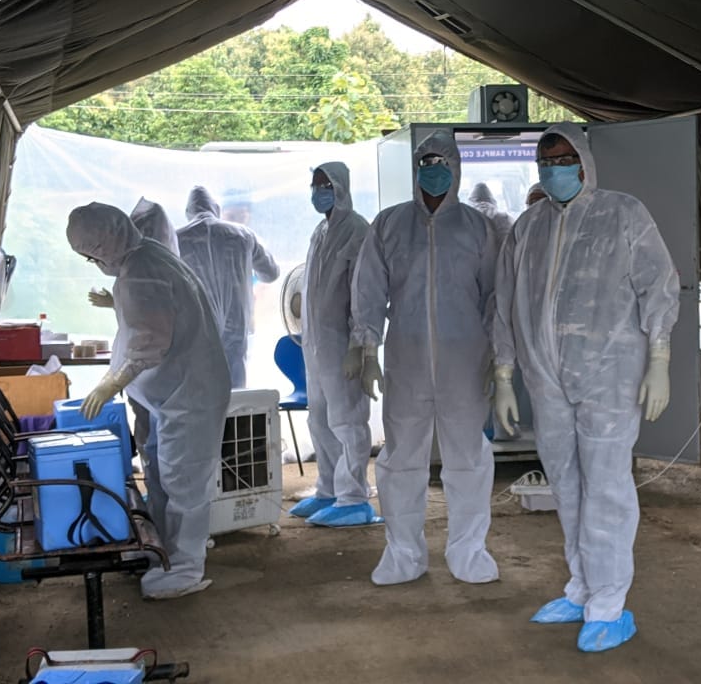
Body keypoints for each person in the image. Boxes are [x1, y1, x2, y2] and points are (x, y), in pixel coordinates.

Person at [493, 123, 680, 652]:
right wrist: (504, 375)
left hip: (609, 374)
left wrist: (659, 358)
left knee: (606, 486)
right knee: (566, 484)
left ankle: (609, 604)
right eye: (545, 159)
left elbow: (658, 285)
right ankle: (580, 587)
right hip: (546, 378)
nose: (554, 167)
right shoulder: (527, 227)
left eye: (563, 156)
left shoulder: (623, 213)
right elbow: (505, 304)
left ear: (583, 161)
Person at [351, 129, 500, 586]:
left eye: (442, 162)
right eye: (426, 162)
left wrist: (499, 355)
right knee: (401, 459)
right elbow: (369, 289)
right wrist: (366, 346)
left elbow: (495, 295)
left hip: (465, 360)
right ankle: (403, 555)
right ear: (416, 169)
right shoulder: (390, 224)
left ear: (456, 168)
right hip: (408, 359)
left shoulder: (478, 228)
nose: (434, 171)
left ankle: (469, 553)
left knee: (468, 458)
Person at [67, 202, 231, 601]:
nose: (92, 262)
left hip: (187, 394)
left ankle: (187, 566)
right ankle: (166, 549)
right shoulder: (145, 258)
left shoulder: (140, 273)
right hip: (172, 394)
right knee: (161, 474)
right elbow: (156, 313)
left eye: (90, 255)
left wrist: (110, 383)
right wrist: (116, 302)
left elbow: (148, 343)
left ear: (103, 245)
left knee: (184, 480)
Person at [288, 162, 377, 527]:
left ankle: (354, 496)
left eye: (325, 185)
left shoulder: (356, 230)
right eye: (314, 185)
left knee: (347, 419)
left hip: (342, 342)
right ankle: (327, 488)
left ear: (342, 187)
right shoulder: (321, 231)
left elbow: (364, 292)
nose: (318, 191)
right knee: (319, 418)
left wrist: (360, 345)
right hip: (315, 342)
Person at [88, 197, 180, 460]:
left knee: (167, 449)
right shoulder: (143, 267)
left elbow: (152, 337)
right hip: (146, 376)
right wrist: (115, 302)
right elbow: (141, 320)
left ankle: (161, 495)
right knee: (151, 440)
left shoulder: (147, 270)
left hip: (162, 375)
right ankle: (156, 494)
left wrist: (115, 379)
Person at [176, 186, 280, 388]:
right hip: (236, 327)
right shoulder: (243, 235)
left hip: (196, 329)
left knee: (198, 393)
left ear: (189, 211)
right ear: (215, 208)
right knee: (236, 396)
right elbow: (271, 273)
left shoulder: (176, 239)